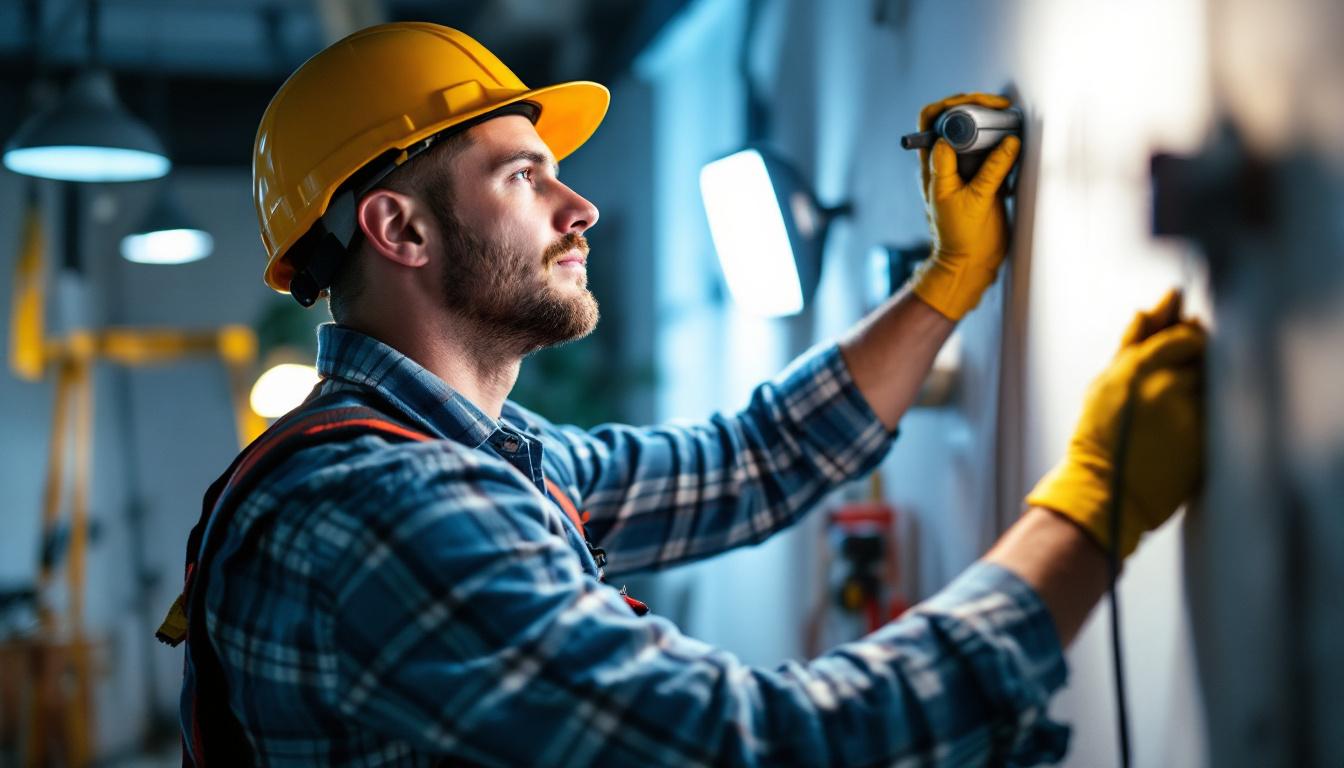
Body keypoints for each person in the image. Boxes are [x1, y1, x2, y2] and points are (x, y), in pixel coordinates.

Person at [170, 22, 1206, 766]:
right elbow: (759, 747)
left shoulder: (464, 455)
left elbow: (745, 464)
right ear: (401, 231)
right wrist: (1088, 516)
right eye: (525, 177)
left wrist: (943, 288)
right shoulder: (388, 506)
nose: (580, 208)